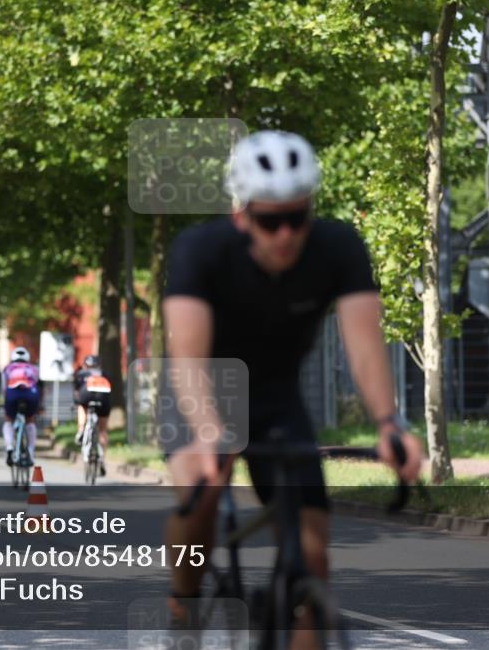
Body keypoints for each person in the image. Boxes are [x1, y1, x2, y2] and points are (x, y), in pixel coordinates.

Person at [161, 130, 424, 641]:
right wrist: (211, 433)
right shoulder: (201, 250)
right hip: (205, 388)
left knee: (312, 555)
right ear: (242, 216)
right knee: (203, 490)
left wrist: (389, 424)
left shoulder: (338, 246)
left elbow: (365, 346)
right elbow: (188, 357)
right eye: (269, 220)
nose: (285, 233)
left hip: (276, 392)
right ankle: (184, 601)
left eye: (297, 218)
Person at [1, 347, 42, 466]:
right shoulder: (33, 368)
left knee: (8, 419)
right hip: (30, 394)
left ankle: (9, 446)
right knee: (30, 420)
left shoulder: (7, 368)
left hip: (12, 393)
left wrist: (5, 401)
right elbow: (37, 383)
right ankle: (30, 451)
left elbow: (3, 388)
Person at [73, 354, 111, 477]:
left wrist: (77, 402)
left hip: (86, 395)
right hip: (104, 398)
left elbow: (77, 392)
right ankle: (102, 459)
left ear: (85, 365)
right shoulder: (105, 373)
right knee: (103, 430)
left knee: (82, 406)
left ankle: (81, 429)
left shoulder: (81, 374)